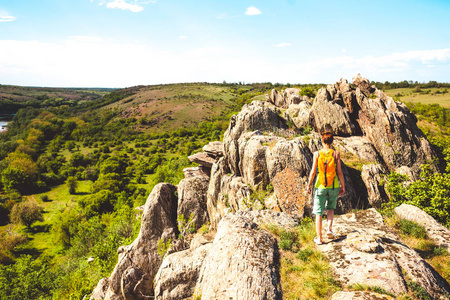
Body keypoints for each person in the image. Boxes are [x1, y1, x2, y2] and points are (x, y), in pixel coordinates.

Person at [306, 128, 345, 245]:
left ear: (322, 142)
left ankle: (319, 238)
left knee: (318, 211)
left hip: (320, 186)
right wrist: (343, 186)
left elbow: (313, 171)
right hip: (333, 186)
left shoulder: (317, 154)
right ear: (332, 142)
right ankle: (329, 229)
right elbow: (339, 172)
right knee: (330, 208)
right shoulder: (336, 154)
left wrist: (308, 185)